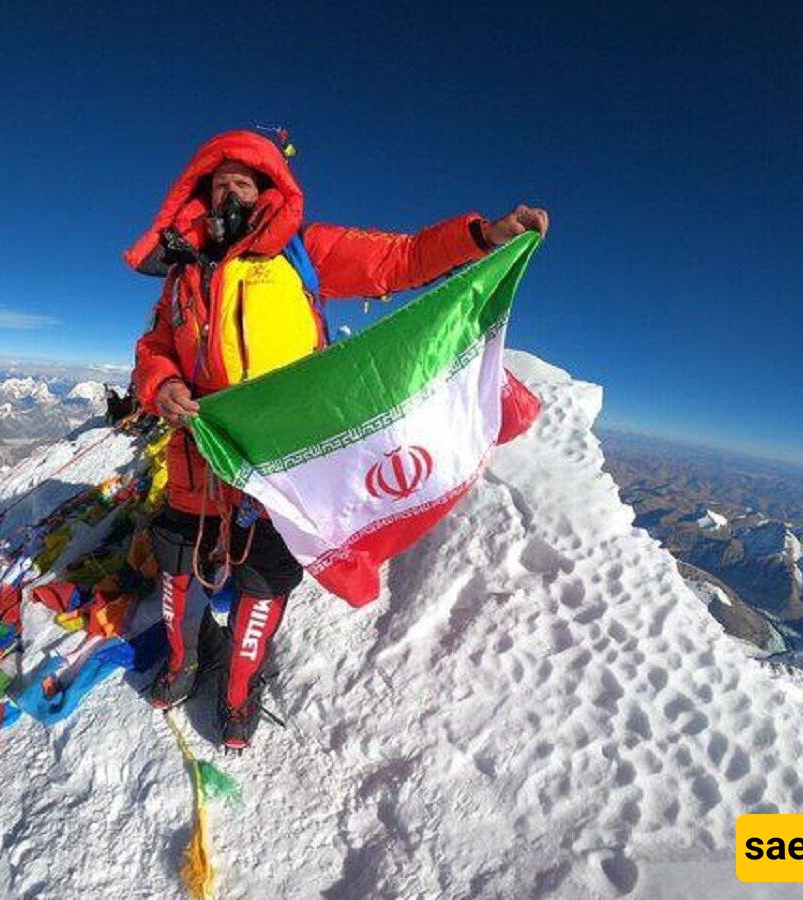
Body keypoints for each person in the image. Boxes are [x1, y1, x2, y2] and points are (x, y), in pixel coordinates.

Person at [125, 129, 547, 750]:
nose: (232, 192)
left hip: (289, 458)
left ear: (270, 190)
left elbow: (398, 260)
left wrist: (483, 236)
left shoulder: (305, 251)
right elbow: (154, 349)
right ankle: (182, 663)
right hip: (199, 451)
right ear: (203, 195)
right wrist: (159, 384)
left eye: (246, 182)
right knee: (177, 565)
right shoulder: (182, 278)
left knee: (266, 574)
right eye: (222, 183)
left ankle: (239, 691)